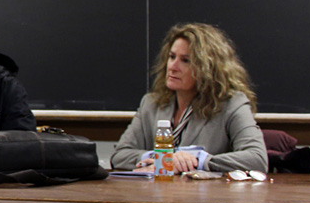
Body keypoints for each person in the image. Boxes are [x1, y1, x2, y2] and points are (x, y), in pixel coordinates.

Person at [111, 23, 267, 174]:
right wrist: (162, 159)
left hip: (208, 196)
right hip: (156, 194)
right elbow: (120, 155)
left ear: (208, 68)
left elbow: (257, 159)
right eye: (172, 57)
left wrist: (198, 160)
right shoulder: (151, 104)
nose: (173, 66)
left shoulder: (232, 104)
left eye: (185, 60)